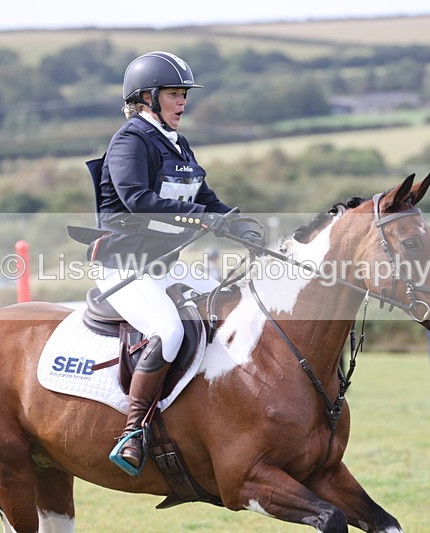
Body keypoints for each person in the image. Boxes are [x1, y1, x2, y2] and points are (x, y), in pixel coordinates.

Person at [86, 51, 264, 472]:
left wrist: (237, 224)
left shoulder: (177, 143)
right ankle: (133, 430)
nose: (182, 102)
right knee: (167, 330)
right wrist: (205, 220)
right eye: (173, 94)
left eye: (184, 94)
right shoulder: (130, 140)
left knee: (229, 306)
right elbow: (137, 200)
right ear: (146, 98)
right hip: (123, 265)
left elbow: (204, 197)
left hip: (163, 266)